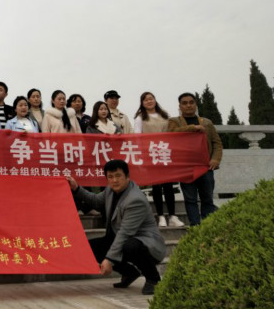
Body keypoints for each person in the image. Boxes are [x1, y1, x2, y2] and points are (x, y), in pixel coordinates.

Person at [66, 160, 166, 295]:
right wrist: (76, 188)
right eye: (110, 177)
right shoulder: (110, 190)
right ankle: (129, 273)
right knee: (90, 248)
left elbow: (124, 233)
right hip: (122, 238)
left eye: (118, 176)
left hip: (147, 245)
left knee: (130, 246)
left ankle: (153, 279)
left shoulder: (135, 200)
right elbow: (95, 201)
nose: (114, 180)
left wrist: (109, 260)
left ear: (127, 176)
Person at [168, 92, 223, 226]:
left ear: (196, 104)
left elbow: (217, 143)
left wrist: (215, 159)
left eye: (191, 102)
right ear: (180, 106)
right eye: (184, 103)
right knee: (190, 199)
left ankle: (208, 226)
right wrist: (193, 128)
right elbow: (172, 134)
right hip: (186, 167)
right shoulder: (175, 121)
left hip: (205, 166)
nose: (188, 105)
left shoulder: (207, 122)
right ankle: (195, 227)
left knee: (207, 199)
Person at [134, 92, 184, 228]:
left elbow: (172, 132)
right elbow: (137, 138)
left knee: (168, 185)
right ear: (142, 103)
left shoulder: (164, 115)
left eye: (151, 99)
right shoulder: (140, 118)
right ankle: (161, 216)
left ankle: (172, 216)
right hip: (151, 153)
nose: (149, 101)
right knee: (156, 185)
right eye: (146, 100)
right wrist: (141, 155)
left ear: (155, 100)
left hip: (165, 152)